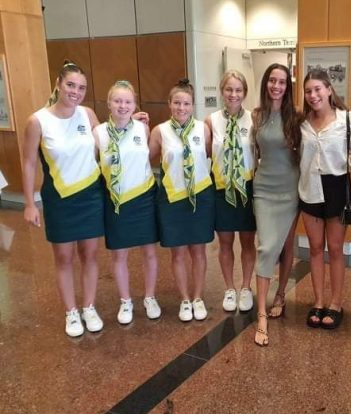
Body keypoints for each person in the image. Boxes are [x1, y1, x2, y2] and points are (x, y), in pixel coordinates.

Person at [21, 60, 105, 337]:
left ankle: (89, 306)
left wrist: (134, 121)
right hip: (59, 199)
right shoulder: (38, 121)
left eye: (81, 87)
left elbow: (107, 143)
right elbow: (29, 163)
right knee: (64, 258)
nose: (76, 91)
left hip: (91, 195)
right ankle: (71, 312)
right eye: (71, 84)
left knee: (90, 254)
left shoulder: (88, 114)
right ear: (58, 83)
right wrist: (30, 203)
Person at [95, 80, 161, 325]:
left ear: (135, 105)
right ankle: (125, 301)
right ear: (108, 104)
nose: (123, 106)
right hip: (117, 200)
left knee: (150, 252)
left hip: (144, 197)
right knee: (119, 255)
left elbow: (150, 157)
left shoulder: (143, 130)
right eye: (118, 101)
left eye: (128, 101)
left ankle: (150, 296)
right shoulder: (98, 133)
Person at [149, 79, 215, 322]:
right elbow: (143, 158)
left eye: (186, 103)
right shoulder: (160, 131)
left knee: (198, 251)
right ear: (169, 104)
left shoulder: (202, 129)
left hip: (201, 196)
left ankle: (198, 297)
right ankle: (185, 300)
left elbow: (209, 154)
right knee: (177, 253)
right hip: (172, 198)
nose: (181, 108)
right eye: (177, 103)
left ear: (192, 105)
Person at [299, 69, 351, 329]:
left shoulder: (348, 120)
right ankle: (319, 301)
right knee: (314, 249)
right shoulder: (300, 123)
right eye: (309, 91)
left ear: (329, 90)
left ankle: (335, 303)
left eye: (317, 89)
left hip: (337, 188)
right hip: (309, 188)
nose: (313, 95)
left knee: (335, 249)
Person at [252, 63, 301, 346]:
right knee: (266, 246)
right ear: (266, 83)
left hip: (289, 189)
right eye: (272, 80)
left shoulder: (295, 117)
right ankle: (261, 314)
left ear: (288, 87)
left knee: (285, 244)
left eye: (282, 82)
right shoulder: (256, 115)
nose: (276, 86)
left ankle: (281, 293)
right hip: (264, 188)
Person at [206, 70, 256, 313]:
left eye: (238, 90)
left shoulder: (254, 119)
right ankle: (229, 288)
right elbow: (202, 153)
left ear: (245, 93)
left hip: (246, 187)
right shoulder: (211, 120)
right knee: (225, 242)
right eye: (229, 89)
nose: (233, 94)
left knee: (248, 241)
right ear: (222, 91)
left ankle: (246, 287)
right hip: (222, 187)